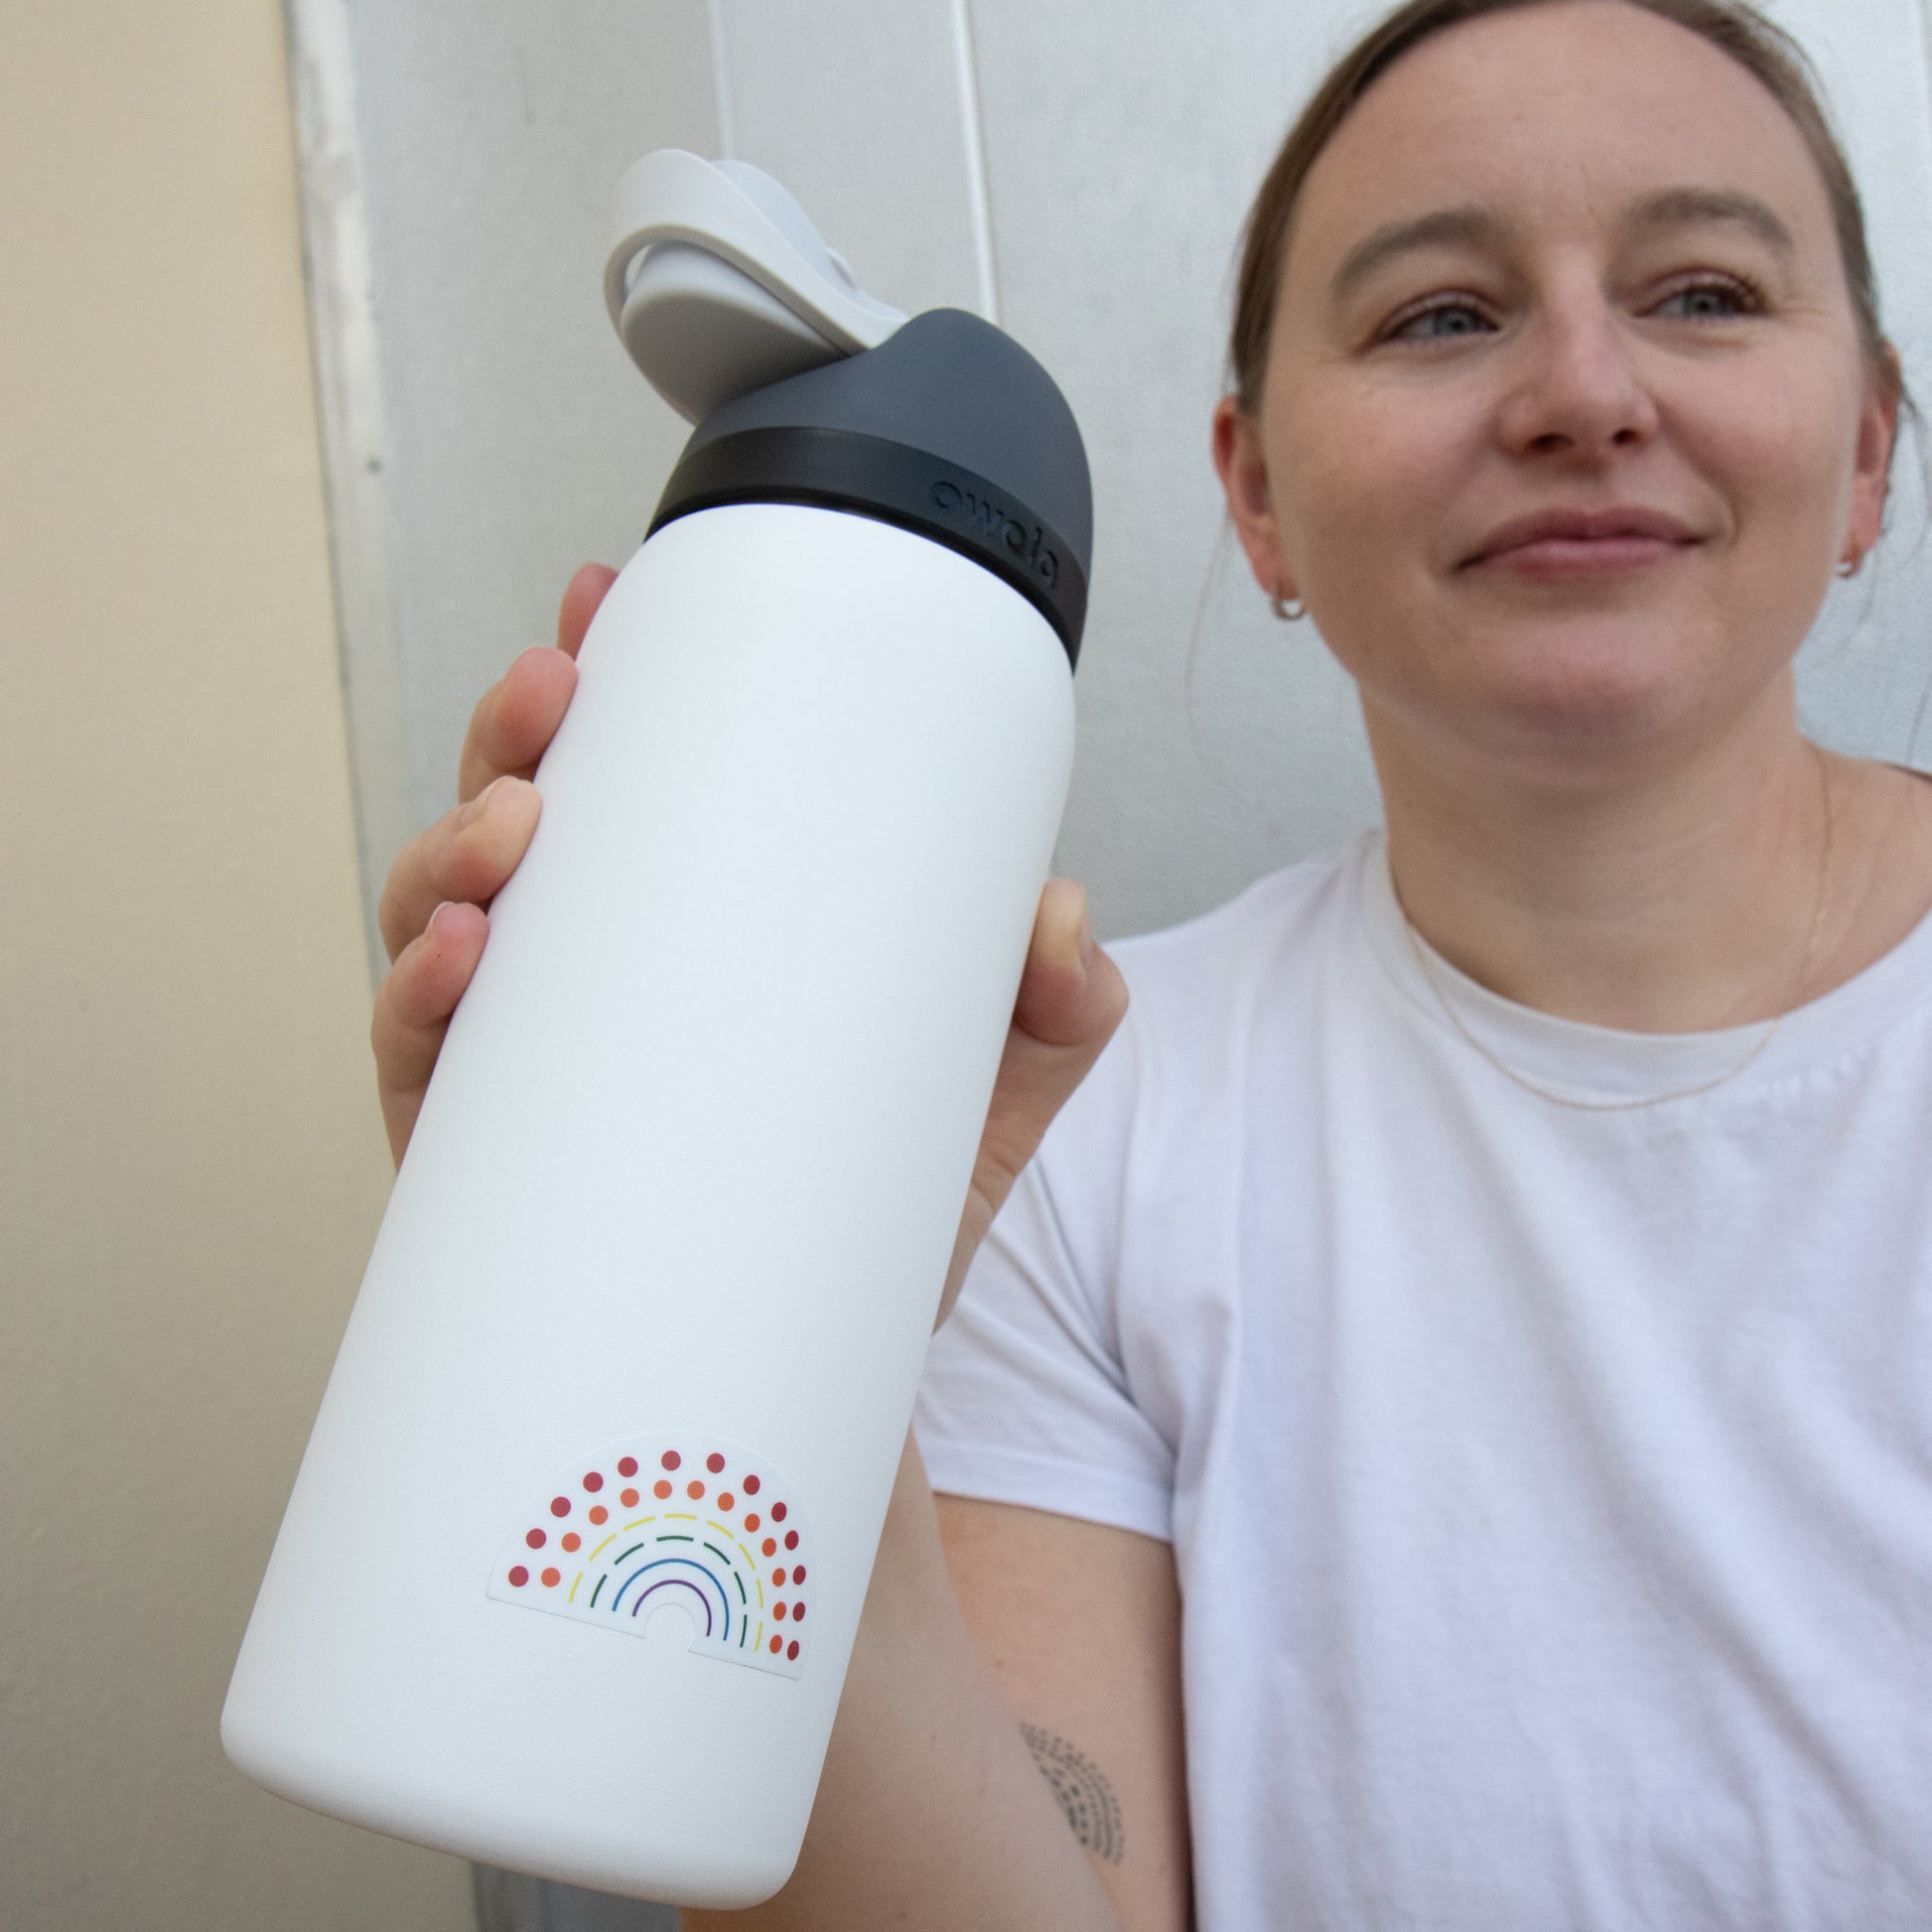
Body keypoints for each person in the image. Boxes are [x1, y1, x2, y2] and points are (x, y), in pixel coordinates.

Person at [370, 1, 1932, 1924]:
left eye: (1699, 291)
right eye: (1441, 314)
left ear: (1865, 447)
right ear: (1256, 490)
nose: (1584, 391)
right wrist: (782, 1423)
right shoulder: (1064, 1114)